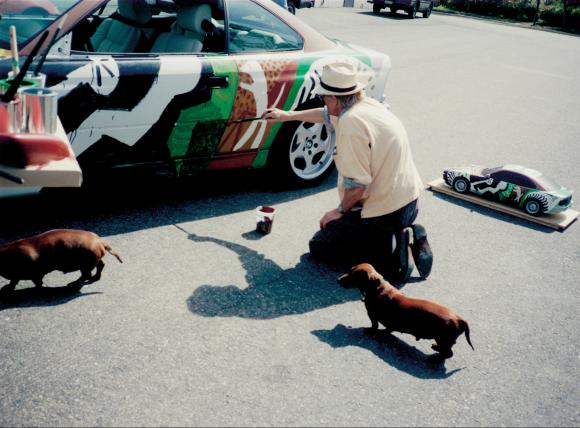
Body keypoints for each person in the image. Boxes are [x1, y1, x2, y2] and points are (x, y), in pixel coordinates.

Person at [262, 61, 432, 283]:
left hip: (385, 213)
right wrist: (287, 116)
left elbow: (357, 184)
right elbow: (325, 115)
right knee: (342, 231)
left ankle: (392, 254)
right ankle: (400, 233)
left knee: (320, 246)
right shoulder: (367, 106)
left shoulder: (351, 125)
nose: (323, 101)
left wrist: (338, 211)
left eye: (324, 96)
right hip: (409, 202)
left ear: (333, 98)